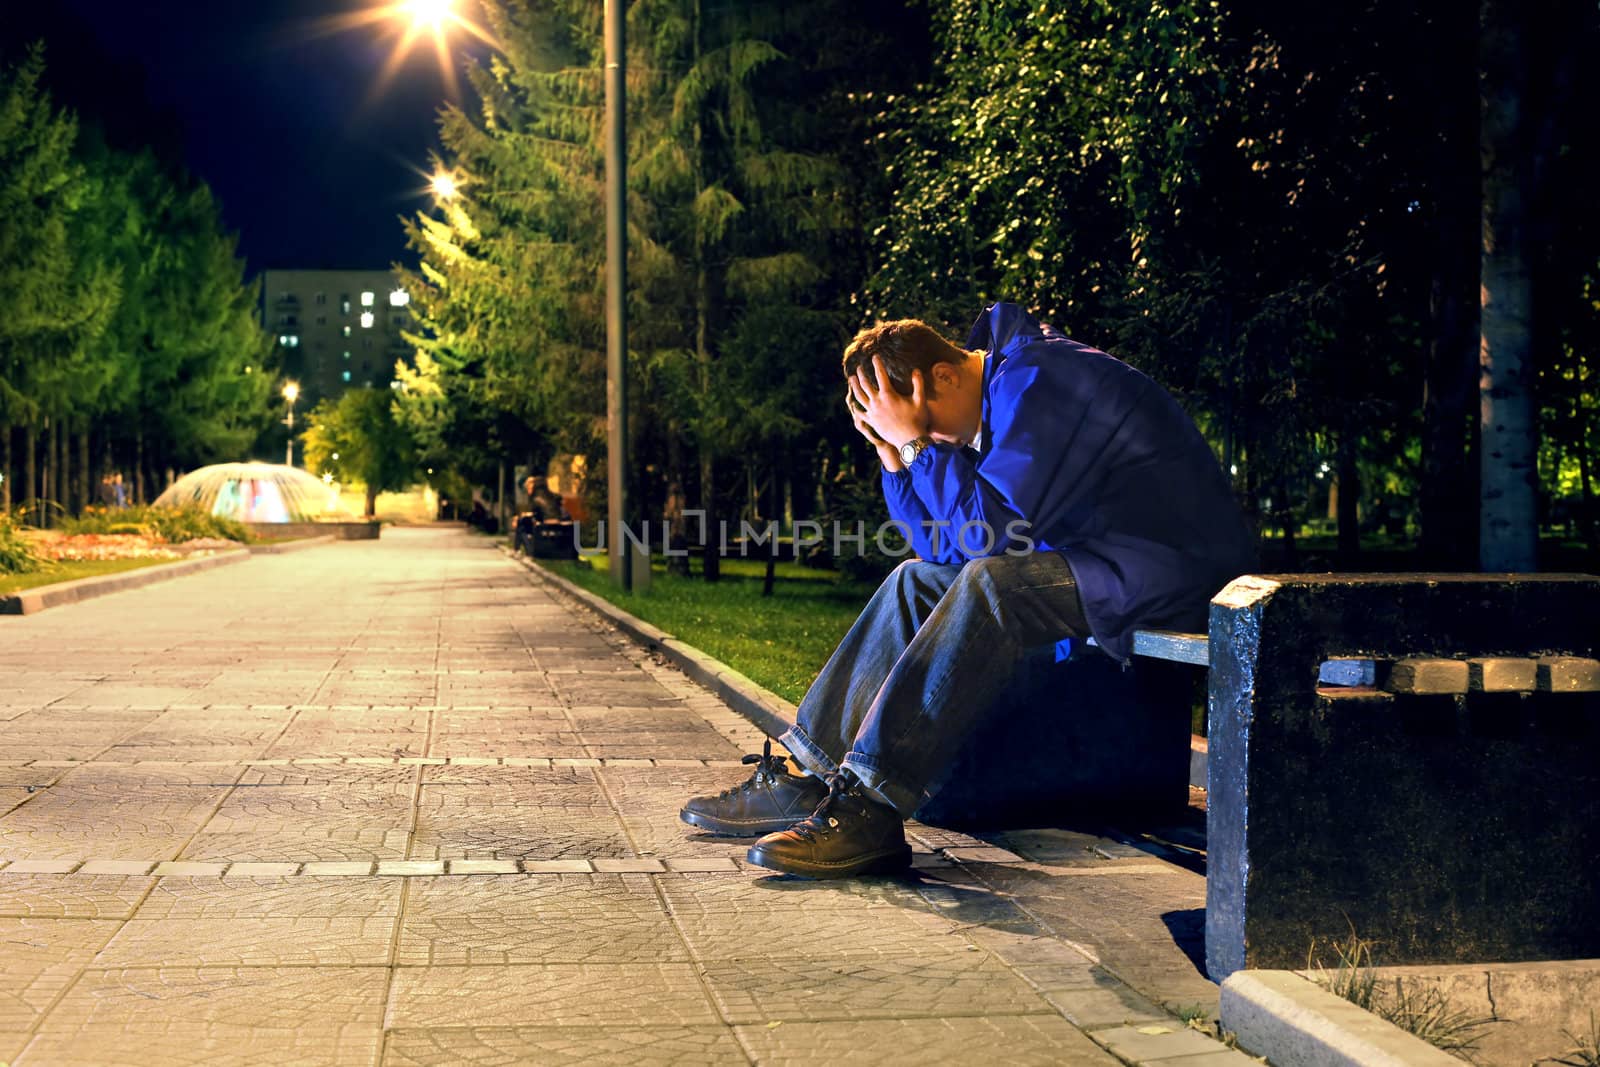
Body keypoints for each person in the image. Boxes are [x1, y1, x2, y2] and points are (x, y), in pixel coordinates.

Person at [679, 302, 1257, 878]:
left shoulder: (1038, 380)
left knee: (994, 587)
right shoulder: (1002, 395)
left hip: (1169, 569)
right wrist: (896, 460)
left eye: (922, 422)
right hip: (1099, 561)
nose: (927, 439)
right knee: (913, 581)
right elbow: (944, 553)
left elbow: (989, 547)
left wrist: (916, 448)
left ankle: (870, 808)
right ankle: (811, 775)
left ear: (947, 375)